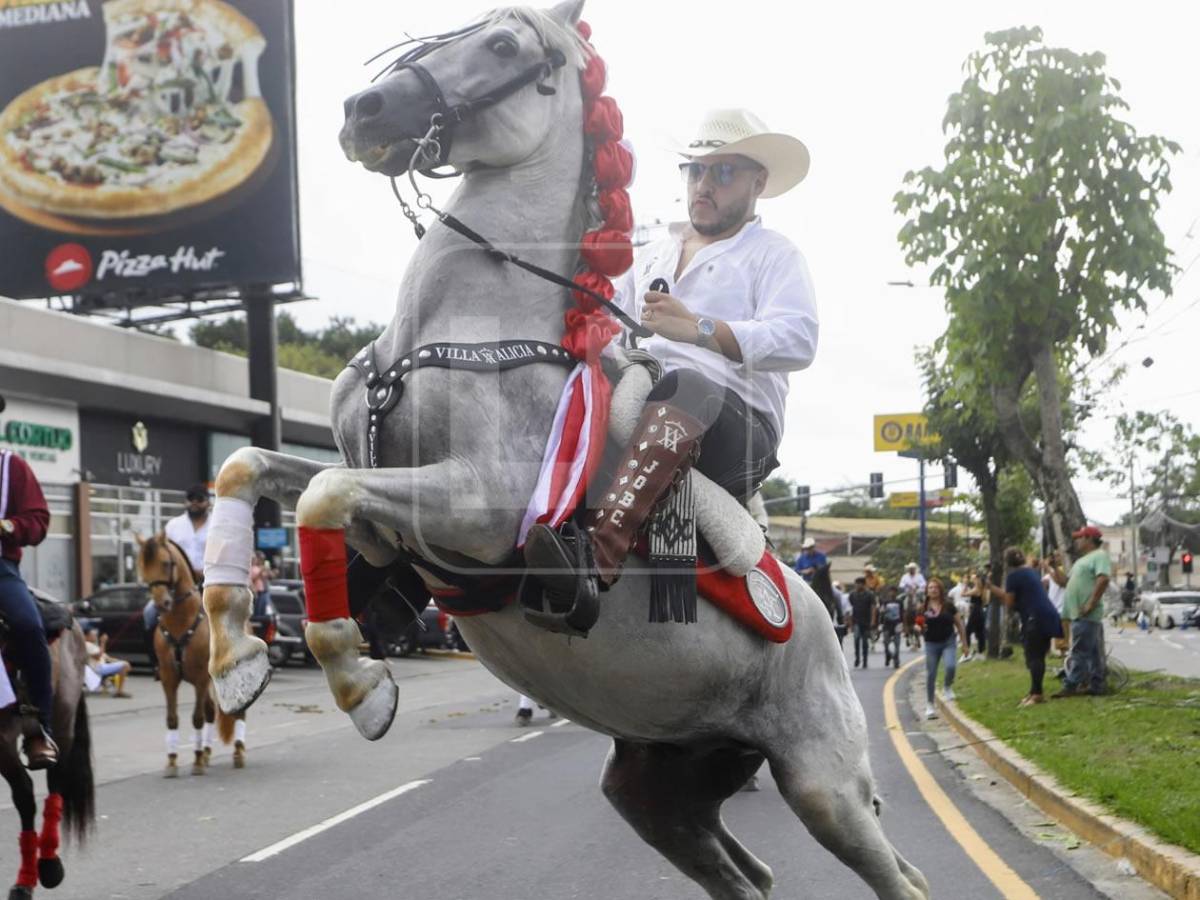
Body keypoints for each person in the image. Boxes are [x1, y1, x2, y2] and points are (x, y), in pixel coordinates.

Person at [525, 108, 817, 615]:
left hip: (739, 429)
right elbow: (605, 320)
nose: (704, 184)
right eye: (696, 169)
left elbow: (799, 339)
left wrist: (699, 329)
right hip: (645, 399)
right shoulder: (654, 253)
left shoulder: (776, 255)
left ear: (758, 182)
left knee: (688, 383)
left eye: (723, 171)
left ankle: (597, 556)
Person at [0, 448, 57, 768]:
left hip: (1, 568)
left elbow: (38, 520)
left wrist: (8, 526)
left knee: (27, 625)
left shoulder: (12, 466)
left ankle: (39, 729)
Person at [989, 548, 1063, 707]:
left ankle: (1037, 695)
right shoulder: (1031, 572)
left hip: (1034, 618)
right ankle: (1034, 691)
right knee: (1038, 656)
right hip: (1048, 615)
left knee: (1034, 656)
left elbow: (1009, 602)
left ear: (1007, 563)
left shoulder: (1013, 576)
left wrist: (991, 588)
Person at [146, 483, 211, 662]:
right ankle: (157, 662)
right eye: (190, 499)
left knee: (226, 615)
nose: (194, 503)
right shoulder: (174, 525)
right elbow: (162, 552)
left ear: (208, 502)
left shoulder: (218, 525)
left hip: (209, 582)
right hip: (177, 585)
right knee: (149, 613)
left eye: (200, 499)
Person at [1049, 526, 1112, 698]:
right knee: (1093, 652)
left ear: (1089, 539)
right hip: (1078, 613)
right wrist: (1054, 567)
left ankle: (1071, 685)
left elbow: (1103, 579)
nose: (1076, 541)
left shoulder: (1099, 555)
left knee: (1078, 651)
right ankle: (1097, 685)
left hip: (1086, 613)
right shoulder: (1080, 561)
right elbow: (1065, 582)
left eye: (1080, 538)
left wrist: (1091, 603)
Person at [920, 578, 968, 720]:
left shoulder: (948, 606)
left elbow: (959, 624)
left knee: (950, 666)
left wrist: (964, 644)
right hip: (931, 644)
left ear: (940, 590)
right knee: (931, 674)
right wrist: (918, 627)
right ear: (927, 591)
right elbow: (918, 623)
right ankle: (930, 705)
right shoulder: (923, 607)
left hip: (948, 641)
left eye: (936, 587)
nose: (933, 590)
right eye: (930, 587)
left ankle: (947, 686)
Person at [85, 629, 132, 698]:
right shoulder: (86, 644)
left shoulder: (94, 646)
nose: (95, 637)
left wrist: (120, 661)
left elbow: (107, 658)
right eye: (93, 635)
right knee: (125, 665)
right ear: (86, 636)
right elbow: (98, 656)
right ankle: (119, 691)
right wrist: (103, 642)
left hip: (102, 666)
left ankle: (114, 685)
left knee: (125, 665)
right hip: (97, 667)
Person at [847, 577, 877, 669]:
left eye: (859, 584)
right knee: (856, 639)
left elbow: (873, 608)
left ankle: (865, 660)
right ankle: (857, 657)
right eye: (856, 584)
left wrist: (872, 620)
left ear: (863, 584)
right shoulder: (852, 595)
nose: (857, 585)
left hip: (866, 621)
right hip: (856, 621)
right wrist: (850, 622)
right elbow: (850, 608)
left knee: (865, 642)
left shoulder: (870, 595)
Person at [963, 572, 987, 658]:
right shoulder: (982, 589)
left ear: (977, 580)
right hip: (980, 610)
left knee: (967, 630)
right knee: (980, 631)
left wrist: (965, 584)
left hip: (975, 611)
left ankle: (967, 649)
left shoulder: (976, 589)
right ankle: (981, 650)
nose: (972, 580)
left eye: (974, 579)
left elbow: (963, 594)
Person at [880, 585, 903, 669]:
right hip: (887, 624)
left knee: (897, 643)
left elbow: (903, 613)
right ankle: (888, 655)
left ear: (896, 593)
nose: (892, 593)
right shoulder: (885, 602)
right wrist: (881, 622)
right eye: (891, 591)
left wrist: (903, 624)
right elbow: (881, 612)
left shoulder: (899, 602)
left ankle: (896, 660)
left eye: (894, 591)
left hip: (897, 623)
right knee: (886, 643)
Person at [250, 552, 272, 617]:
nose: (261, 561)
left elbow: (267, 577)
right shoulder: (252, 568)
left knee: (263, 607)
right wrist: (260, 572)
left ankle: (261, 617)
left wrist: (268, 571)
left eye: (263, 559)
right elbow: (252, 579)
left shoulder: (260, 568)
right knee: (257, 608)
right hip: (257, 591)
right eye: (260, 559)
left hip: (263, 590)